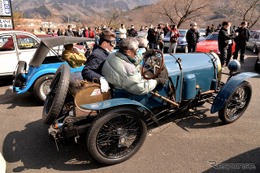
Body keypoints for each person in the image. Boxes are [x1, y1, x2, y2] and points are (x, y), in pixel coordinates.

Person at [101, 37, 166, 95]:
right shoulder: (129, 70)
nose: (137, 53)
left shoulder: (113, 55)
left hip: (116, 82)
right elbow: (140, 88)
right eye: (136, 51)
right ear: (128, 52)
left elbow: (130, 61)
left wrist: (144, 55)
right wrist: (157, 81)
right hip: (126, 92)